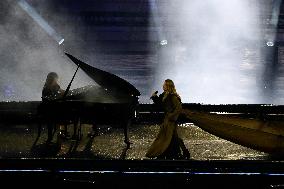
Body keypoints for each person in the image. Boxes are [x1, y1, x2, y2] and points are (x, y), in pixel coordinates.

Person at [146, 79, 190, 159]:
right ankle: (168, 154)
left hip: (171, 121)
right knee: (169, 137)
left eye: (165, 85)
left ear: (168, 86)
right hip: (167, 120)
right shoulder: (164, 95)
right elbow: (160, 105)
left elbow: (178, 108)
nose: (163, 86)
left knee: (170, 138)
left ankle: (170, 154)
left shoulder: (172, 96)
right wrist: (154, 97)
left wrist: (171, 116)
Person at [41, 72, 67, 140]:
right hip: (48, 109)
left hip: (54, 107)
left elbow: (61, 91)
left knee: (64, 112)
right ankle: (52, 136)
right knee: (59, 115)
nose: (56, 80)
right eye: (55, 79)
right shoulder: (46, 88)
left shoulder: (56, 86)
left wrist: (66, 92)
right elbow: (48, 98)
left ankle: (62, 133)